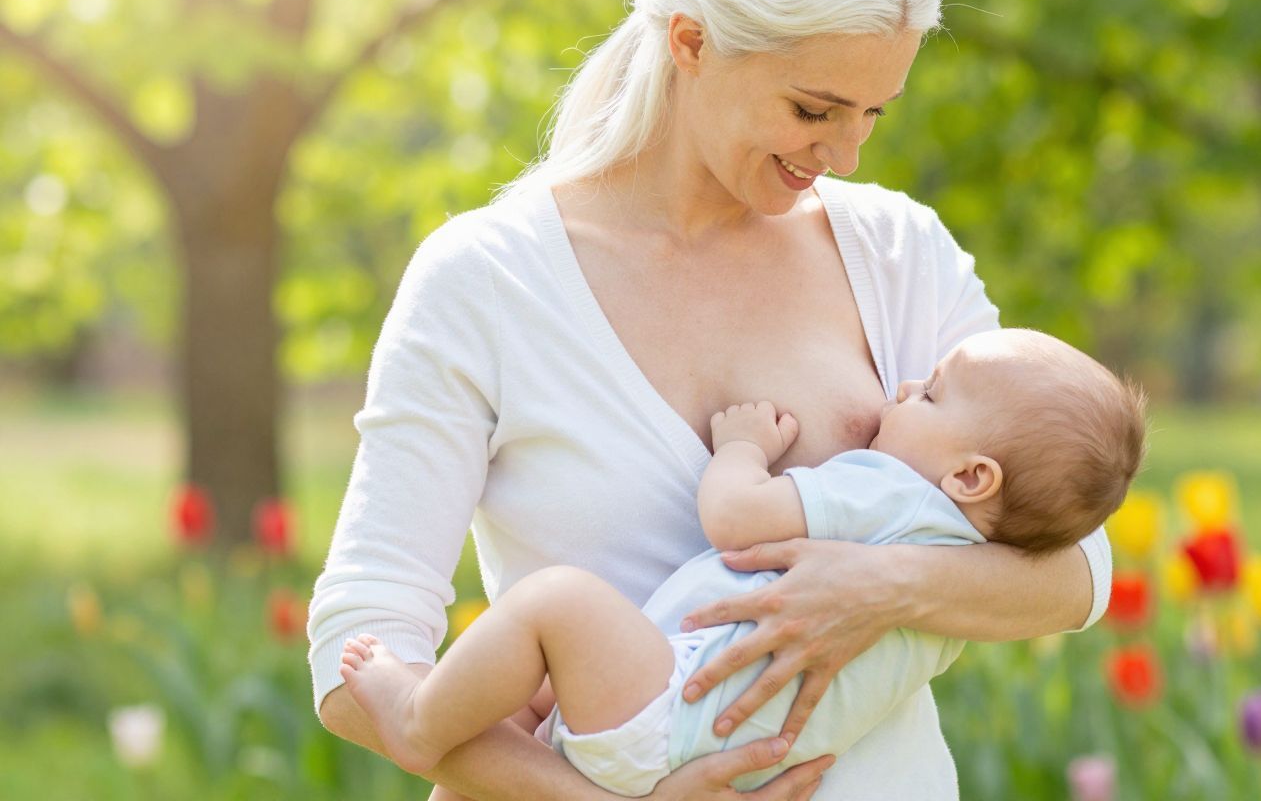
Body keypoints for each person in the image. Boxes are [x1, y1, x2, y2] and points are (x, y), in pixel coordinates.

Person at [307, 0, 1115, 801]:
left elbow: (1075, 567)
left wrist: (880, 589)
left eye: (874, 114)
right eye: (815, 106)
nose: (847, 154)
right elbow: (360, 657)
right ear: (690, 41)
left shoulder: (896, 253)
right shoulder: (490, 282)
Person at [335, 328, 1145, 797]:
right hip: (707, 755)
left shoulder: (893, 497)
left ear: (970, 477)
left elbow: (736, 517)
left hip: (671, 713)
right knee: (531, 683)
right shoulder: (978, 561)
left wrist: (745, 447)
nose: (904, 386)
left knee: (555, 605)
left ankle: (417, 723)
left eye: (929, 394)